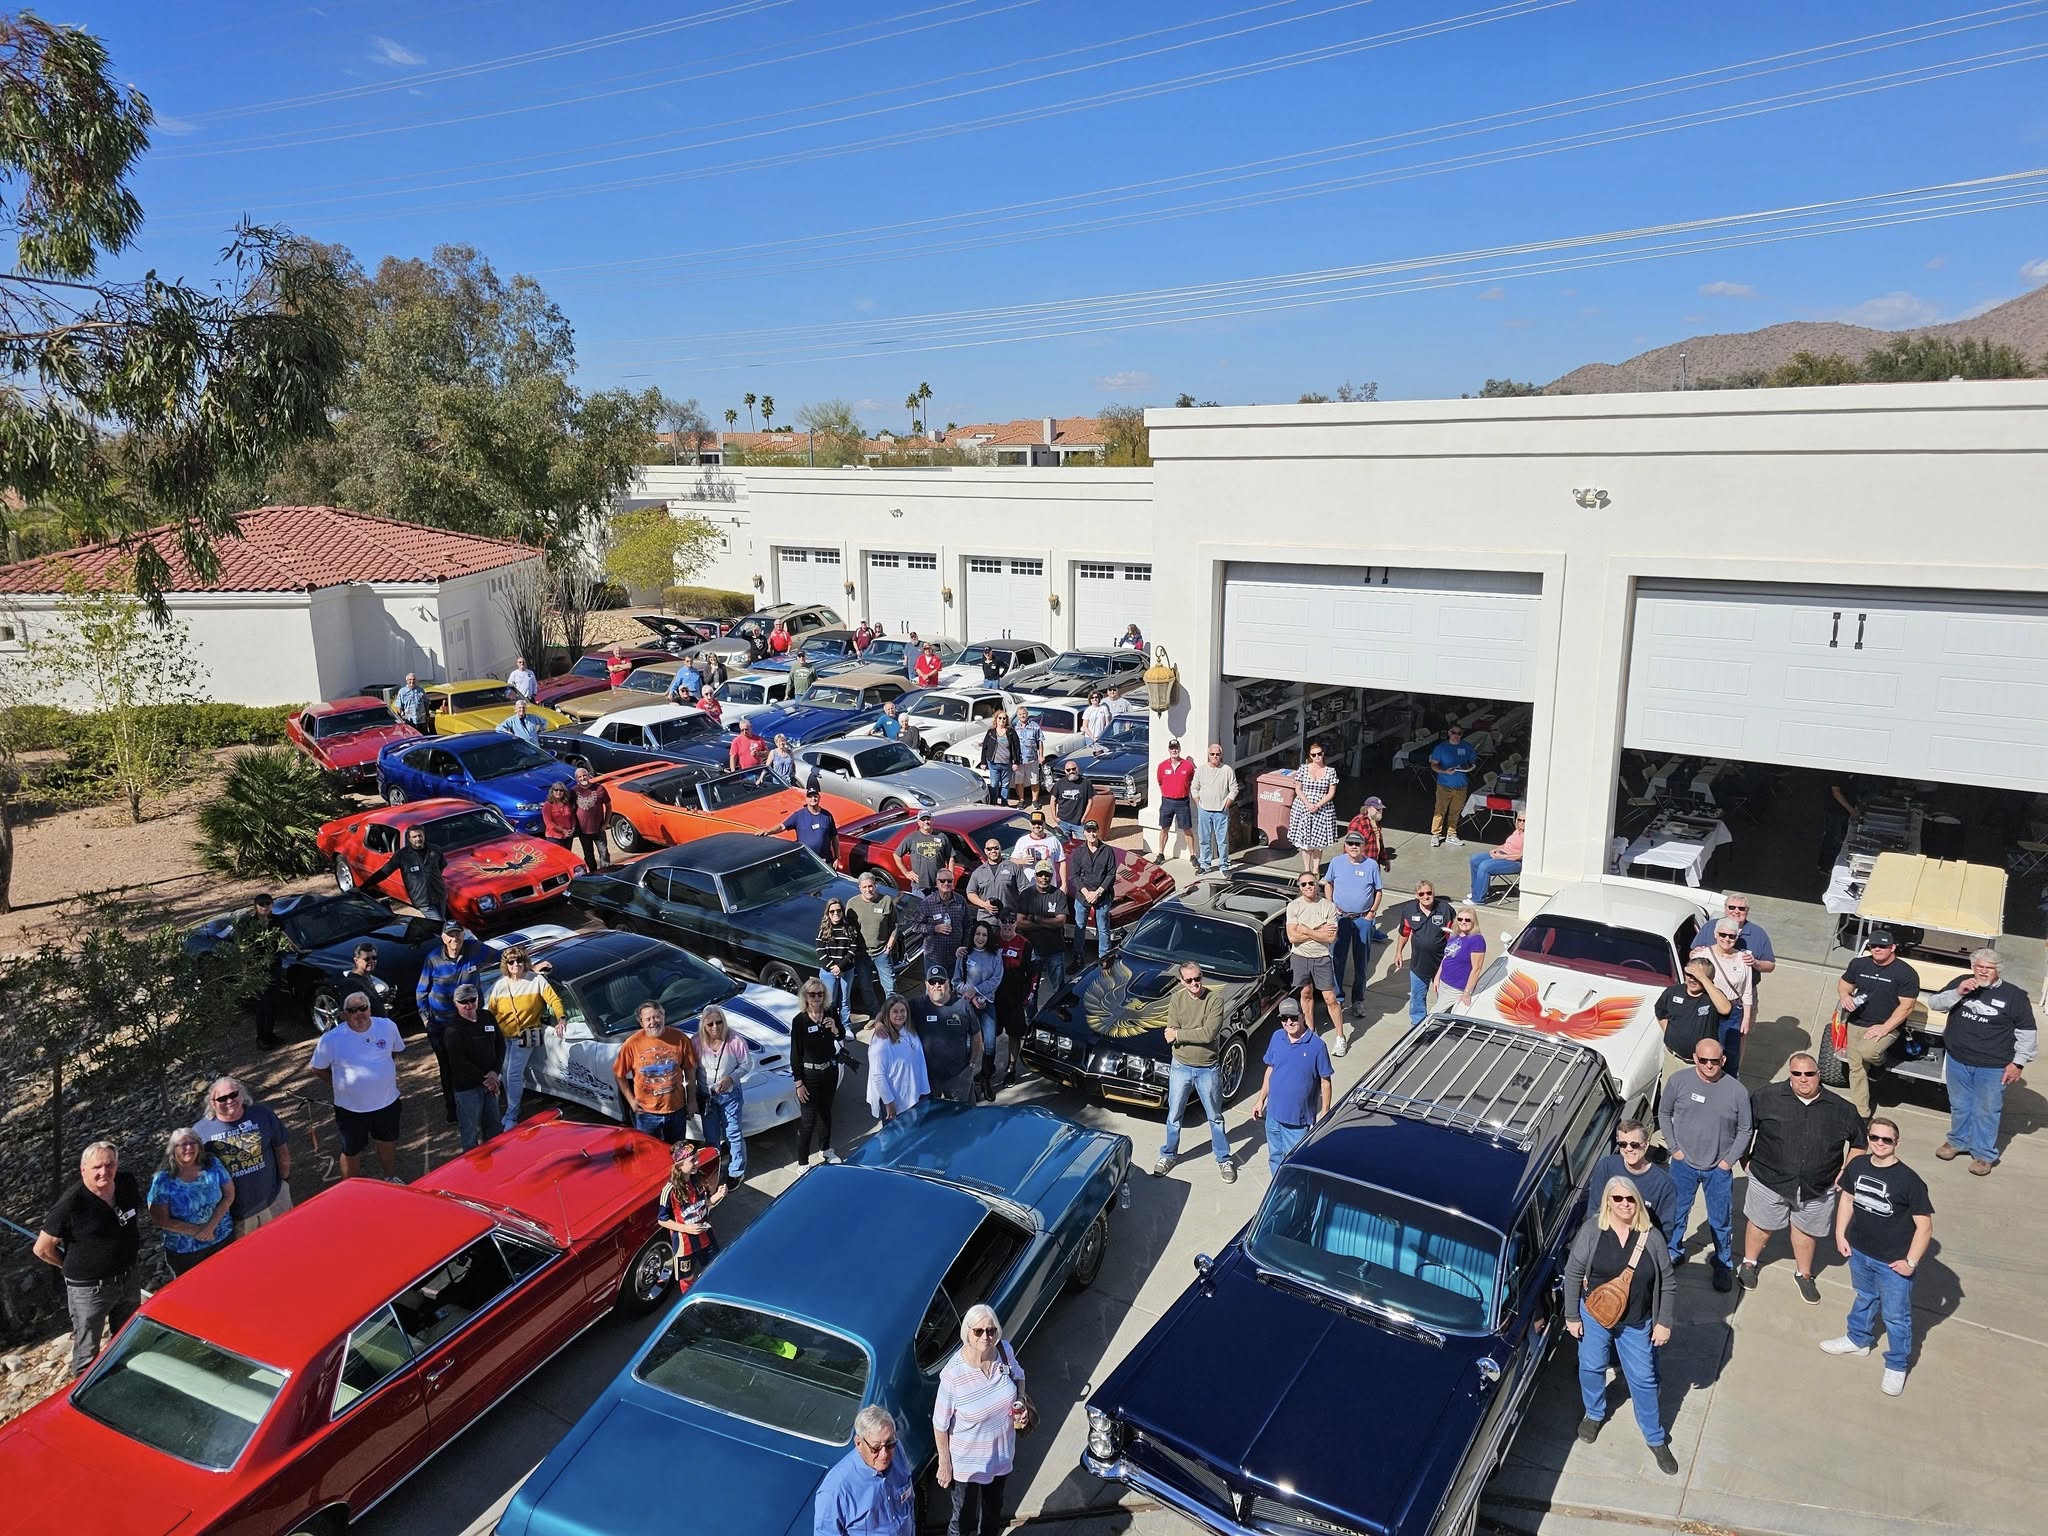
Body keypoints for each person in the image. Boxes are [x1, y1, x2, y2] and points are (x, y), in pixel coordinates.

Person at [1563, 1176, 1679, 1475]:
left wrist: (1663, 1322)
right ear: (1607, 1202)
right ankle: (1593, 1414)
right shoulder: (1592, 1231)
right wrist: (1571, 1316)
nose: (1624, 1204)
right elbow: (1573, 1273)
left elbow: (1667, 1282)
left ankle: (1655, 1437)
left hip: (1637, 1321)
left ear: (1638, 1202)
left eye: (1630, 1199)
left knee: (1644, 1379)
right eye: (1617, 1198)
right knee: (1591, 1367)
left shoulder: (1651, 1237)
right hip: (1595, 1314)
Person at [1739, 1051, 1866, 1300]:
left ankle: (1804, 1275)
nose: (1803, 1079)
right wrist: (1745, 1161)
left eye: (1809, 1074)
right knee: (1761, 1224)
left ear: (1819, 1075)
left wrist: (1844, 1173)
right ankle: (1749, 1263)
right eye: (1797, 1074)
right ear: (1790, 1075)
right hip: (1768, 1180)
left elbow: (1860, 1143)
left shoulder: (1842, 1109)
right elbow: (1745, 1129)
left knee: (1806, 1232)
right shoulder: (1766, 1097)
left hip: (1818, 1187)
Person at [1822, 1116, 1934, 1396]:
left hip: (1893, 1262)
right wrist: (1840, 1234)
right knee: (1865, 1297)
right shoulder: (1857, 1165)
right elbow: (1847, 1199)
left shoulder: (1910, 1181)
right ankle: (1858, 1340)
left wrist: (1910, 1262)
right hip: (1860, 1252)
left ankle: (1897, 1365)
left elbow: (1924, 1226)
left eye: (1887, 1139)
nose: (1880, 1143)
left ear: (1897, 1142)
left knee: (1896, 1317)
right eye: (1874, 1137)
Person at [34, 1142, 144, 1377]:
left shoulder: (126, 1183)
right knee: (87, 1349)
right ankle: (84, 1388)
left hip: (128, 1277)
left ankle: (124, 1379)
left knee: (127, 1336)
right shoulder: (71, 1203)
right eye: (97, 1167)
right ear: (83, 1169)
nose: (104, 1171)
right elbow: (42, 1249)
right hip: (90, 1289)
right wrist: (66, 1265)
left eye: (110, 1164)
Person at [1926, 947, 2035, 1175]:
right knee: (1959, 1104)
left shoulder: (2014, 996)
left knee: (1987, 1110)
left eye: (1989, 968)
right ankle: (1957, 1141)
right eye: (1979, 967)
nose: (1983, 971)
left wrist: (2018, 1063)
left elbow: (2027, 1033)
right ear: (1972, 967)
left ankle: (1984, 1155)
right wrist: (1958, 992)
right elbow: (1935, 1003)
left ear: (1998, 970)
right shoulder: (1962, 983)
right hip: (1957, 1059)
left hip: (1993, 1065)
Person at [1659, 1039, 1751, 1291]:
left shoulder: (1737, 1091)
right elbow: (1664, 1114)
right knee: (1676, 1213)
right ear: (1695, 1058)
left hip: (1718, 1170)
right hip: (1683, 1165)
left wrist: (1728, 1161)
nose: (1709, 1065)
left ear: (1723, 1060)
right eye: (1703, 1060)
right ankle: (1673, 1252)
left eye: (1715, 1061)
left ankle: (1722, 1263)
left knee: (1720, 1220)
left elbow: (1745, 1129)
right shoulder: (1678, 1081)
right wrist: (1674, 1149)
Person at [934, 1303, 1028, 1536]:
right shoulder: (953, 1375)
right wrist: (944, 1463)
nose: (986, 1336)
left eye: (991, 1330)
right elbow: (940, 1424)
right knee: (962, 1521)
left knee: (993, 1512)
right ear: (967, 1332)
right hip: (967, 1465)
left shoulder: (1004, 1352)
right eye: (978, 1331)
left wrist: (1021, 1401)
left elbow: (1020, 1376)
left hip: (1000, 1455)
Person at [309, 991, 406, 1180]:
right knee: (351, 1151)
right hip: (351, 1109)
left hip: (387, 1103)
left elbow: (394, 1051)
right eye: (352, 1010)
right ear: (344, 1014)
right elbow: (318, 1068)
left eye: (363, 1008)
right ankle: (350, 1189)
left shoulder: (387, 1026)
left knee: (387, 1142)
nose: (359, 1014)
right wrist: (338, 1084)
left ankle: (390, 1178)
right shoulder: (331, 1039)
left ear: (369, 1009)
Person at [1155, 961, 1236, 1184]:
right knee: (1174, 1115)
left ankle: (1223, 1158)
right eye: (1189, 980)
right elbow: (1170, 1033)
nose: (1195, 983)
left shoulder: (1214, 1000)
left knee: (1215, 1117)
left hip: (1207, 1068)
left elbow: (1208, 1034)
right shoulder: (1177, 999)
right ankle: (1168, 1155)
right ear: (1182, 981)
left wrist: (1180, 1035)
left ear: (1202, 976)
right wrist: (1185, 1033)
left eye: (1198, 978)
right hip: (1180, 1066)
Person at [1836, 929, 1920, 1117]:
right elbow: (1844, 984)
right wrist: (1845, 996)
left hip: (1887, 1026)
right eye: (1873, 945)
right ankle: (1862, 1114)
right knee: (1856, 1068)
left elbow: (1907, 1007)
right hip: (1857, 1022)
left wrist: (1884, 1028)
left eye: (1882, 946)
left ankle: (1880, 1063)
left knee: (1868, 1052)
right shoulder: (1859, 964)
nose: (1877, 949)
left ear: (1893, 947)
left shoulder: (1905, 973)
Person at [193, 1078, 293, 1235]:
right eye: (222, 1098)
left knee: (287, 1240)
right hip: (236, 1214)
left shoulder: (262, 1114)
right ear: (212, 1103)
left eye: (233, 1095)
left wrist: (284, 1181)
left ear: (242, 1094)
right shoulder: (200, 1131)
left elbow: (281, 1148)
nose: (229, 1101)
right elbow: (197, 1174)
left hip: (274, 1199)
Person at [484, 946, 565, 1125]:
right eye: (511, 961)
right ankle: (514, 1108)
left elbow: (553, 999)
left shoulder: (536, 980)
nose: (516, 964)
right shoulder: (500, 985)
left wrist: (561, 1018)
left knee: (513, 1074)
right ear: (506, 964)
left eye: (519, 960)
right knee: (506, 1074)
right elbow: (490, 1012)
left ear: (525, 962)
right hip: (504, 1037)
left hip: (525, 1036)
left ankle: (512, 1115)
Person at [414, 920, 483, 1124]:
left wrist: (531, 965)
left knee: (474, 1061)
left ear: (463, 935)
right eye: (450, 935)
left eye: (458, 934)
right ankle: (452, 1109)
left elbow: (505, 957)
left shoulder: (474, 950)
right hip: (441, 1024)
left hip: (469, 1020)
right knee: (447, 1067)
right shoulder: (433, 958)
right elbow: (421, 991)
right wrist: (426, 1019)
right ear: (443, 938)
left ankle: (477, 1106)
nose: (455, 939)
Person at [1254, 999, 1333, 1172]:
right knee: (1275, 1157)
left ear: (1302, 1016)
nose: (1289, 1022)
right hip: (1273, 1116)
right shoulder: (1277, 1037)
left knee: (1295, 1164)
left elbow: (1325, 1081)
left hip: (1297, 1121)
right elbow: (1270, 1069)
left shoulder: (1317, 1046)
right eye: (1284, 1018)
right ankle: (1277, 1186)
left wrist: (1325, 1111)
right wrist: (1260, 1100)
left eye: (1293, 1018)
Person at [147, 1127, 235, 1276]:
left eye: (192, 1143)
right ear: (173, 1149)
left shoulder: (212, 1164)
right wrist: (198, 1231)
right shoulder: (163, 1180)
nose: (188, 1148)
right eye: (182, 1144)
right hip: (186, 1251)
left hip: (223, 1239)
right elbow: (160, 1220)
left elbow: (229, 1195)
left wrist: (210, 1227)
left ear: (199, 1145)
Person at [816, 1404, 915, 1536]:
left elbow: (909, 1501)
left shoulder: (897, 1450)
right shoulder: (836, 1490)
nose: (884, 1454)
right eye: (876, 1448)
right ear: (858, 1443)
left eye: (889, 1443)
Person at [613, 1000, 699, 1143]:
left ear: (663, 1016)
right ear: (641, 1022)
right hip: (646, 1113)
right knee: (648, 1151)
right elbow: (618, 1074)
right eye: (648, 1019)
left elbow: (690, 1070)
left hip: (676, 1110)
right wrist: (631, 1100)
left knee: (678, 1149)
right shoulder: (632, 1044)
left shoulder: (680, 1039)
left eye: (656, 1017)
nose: (653, 1022)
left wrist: (692, 1101)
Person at [1586, 1120, 1679, 1239]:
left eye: (1634, 1145)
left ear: (1645, 1145)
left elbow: (1665, 1230)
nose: (1628, 1149)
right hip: (1604, 1237)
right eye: (1623, 1144)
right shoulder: (1606, 1166)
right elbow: (1594, 1209)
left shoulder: (1664, 1184)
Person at [1286, 872, 1345, 1056]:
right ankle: (1310, 1031)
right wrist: (1317, 930)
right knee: (1305, 994)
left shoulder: (1328, 906)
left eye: (1311, 883)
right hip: (1300, 957)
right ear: (1299, 887)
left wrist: (1304, 929)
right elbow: (1292, 937)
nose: (1308, 887)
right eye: (1303, 884)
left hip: (1321, 957)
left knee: (1330, 998)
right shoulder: (1294, 906)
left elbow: (1330, 937)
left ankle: (1340, 1037)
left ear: (1317, 885)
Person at [1326, 830, 1383, 1018]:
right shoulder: (1336, 862)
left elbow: (1378, 891)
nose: (1353, 847)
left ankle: (1358, 1001)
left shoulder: (1371, 865)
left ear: (1363, 846)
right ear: (1345, 846)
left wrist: (1371, 912)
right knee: (1337, 959)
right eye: (1350, 843)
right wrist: (1331, 905)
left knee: (1361, 962)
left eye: (1357, 844)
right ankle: (1337, 999)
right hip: (1341, 918)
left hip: (1362, 919)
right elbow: (1328, 883)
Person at [1689, 920, 1758, 1074]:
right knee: (1705, 1048)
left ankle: (1729, 1081)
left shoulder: (1743, 958)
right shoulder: (1702, 955)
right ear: (1715, 934)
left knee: (1730, 1053)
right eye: (1723, 934)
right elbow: (1690, 982)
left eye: (1731, 936)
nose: (1727, 939)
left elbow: (1747, 991)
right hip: (1707, 1008)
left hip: (1733, 1012)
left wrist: (1746, 1018)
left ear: (1737, 937)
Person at [694, 1004, 753, 1183]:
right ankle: (714, 1170)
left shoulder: (735, 1040)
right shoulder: (696, 1042)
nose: (715, 1027)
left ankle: (736, 1171)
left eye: (719, 1022)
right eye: (710, 1024)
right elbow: (691, 1069)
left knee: (733, 1134)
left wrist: (731, 1078)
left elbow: (746, 1064)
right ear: (703, 1025)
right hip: (707, 1096)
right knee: (711, 1136)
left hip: (730, 1095)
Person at [443, 983, 506, 1151]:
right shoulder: (453, 1029)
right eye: (463, 1002)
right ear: (455, 1003)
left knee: (494, 1126)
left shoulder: (487, 1016)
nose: (469, 1005)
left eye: (472, 1000)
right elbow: (459, 1062)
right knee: (470, 1132)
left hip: (490, 1083)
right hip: (468, 1088)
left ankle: (498, 1159)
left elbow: (500, 1044)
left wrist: (495, 1072)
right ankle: (472, 1163)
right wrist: (488, 1080)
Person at [1387, 882, 1456, 1027]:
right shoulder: (1409, 910)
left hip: (1442, 964)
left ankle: (1446, 1024)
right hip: (1419, 963)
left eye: (1429, 893)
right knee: (1417, 997)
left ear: (1433, 893)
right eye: (1421, 894)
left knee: (1445, 996)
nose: (1426, 896)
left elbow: (1455, 935)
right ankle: (1417, 1026)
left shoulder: (1445, 909)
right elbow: (1404, 933)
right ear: (1416, 896)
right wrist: (1398, 952)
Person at [791, 979, 846, 1165]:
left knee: (826, 1113)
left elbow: (841, 1034)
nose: (816, 998)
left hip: (829, 1070)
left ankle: (825, 1149)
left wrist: (835, 1029)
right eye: (812, 994)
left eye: (820, 994)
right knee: (808, 1120)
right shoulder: (800, 1021)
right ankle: (803, 1162)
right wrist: (799, 1082)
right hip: (810, 1075)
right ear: (805, 997)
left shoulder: (830, 1012)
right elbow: (795, 1054)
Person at [657, 1143, 726, 1282]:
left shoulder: (699, 1178)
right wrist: (686, 1228)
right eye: (692, 1160)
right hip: (684, 1245)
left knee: (714, 1269)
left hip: (706, 1236)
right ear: (679, 1165)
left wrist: (718, 1195)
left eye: (697, 1158)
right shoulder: (669, 1190)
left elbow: (705, 1204)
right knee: (687, 1279)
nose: (697, 1162)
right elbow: (662, 1220)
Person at [915, 967, 983, 1104]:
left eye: (941, 981)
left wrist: (971, 1065)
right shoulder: (917, 1006)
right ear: (926, 985)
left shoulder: (963, 1006)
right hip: (928, 1078)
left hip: (959, 1076)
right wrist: (880, 1022)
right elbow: (891, 1009)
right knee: (931, 1114)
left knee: (963, 1113)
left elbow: (976, 1036)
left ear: (948, 983)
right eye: (932, 982)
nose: (937, 985)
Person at [955, 919, 1005, 1099]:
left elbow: (996, 980)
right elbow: (956, 981)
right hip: (968, 1005)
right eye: (978, 934)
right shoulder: (964, 954)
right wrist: (972, 997)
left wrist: (976, 991)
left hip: (987, 1004)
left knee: (990, 1044)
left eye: (984, 935)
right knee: (968, 1046)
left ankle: (986, 1079)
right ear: (973, 935)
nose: (981, 938)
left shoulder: (996, 955)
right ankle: (967, 1083)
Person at [1015, 862, 1071, 1011]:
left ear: (1051, 876)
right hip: (1033, 950)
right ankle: (1031, 1019)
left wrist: (1035, 919)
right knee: (1031, 989)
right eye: (1040, 874)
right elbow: (1020, 923)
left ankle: (1057, 1017)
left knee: (1059, 989)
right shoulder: (1026, 895)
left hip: (1055, 949)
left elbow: (1060, 922)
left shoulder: (1059, 895)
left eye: (1047, 875)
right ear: (1035, 876)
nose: (1044, 878)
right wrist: (1048, 923)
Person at [363, 823, 447, 919]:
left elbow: (441, 866)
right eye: (414, 837)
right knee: (438, 921)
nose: (418, 839)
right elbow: (384, 872)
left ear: (424, 835)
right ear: (409, 838)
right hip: (421, 899)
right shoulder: (402, 855)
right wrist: (365, 886)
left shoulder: (435, 850)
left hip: (439, 895)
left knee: (442, 920)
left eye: (420, 835)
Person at [236, 892, 287, 1049]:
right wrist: (247, 969)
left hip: (274, 966)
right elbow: (244, 947)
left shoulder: (276, 920)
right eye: (262, 904)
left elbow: (284, 937)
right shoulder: (250, 924)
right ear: (256, 906)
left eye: (268, 904)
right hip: (258, 969)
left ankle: (270, 1034)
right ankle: (261, 1038)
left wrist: (298, 950)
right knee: (262, 1005)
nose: (265, 907)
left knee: (273, 1003)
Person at [866, 995, 930, 1120]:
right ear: (887, 1014)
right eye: (895, 1011)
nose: (899, 1015)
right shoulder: (881, 1040)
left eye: (902, 1011)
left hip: (912, 1097)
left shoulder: (910, 1031)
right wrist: (889, 1103)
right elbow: (878, 1075)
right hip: (894, 1102)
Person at [1069, 820, 1118, 967]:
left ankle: (1104, 958)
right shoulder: (1078, 852)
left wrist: (1097, 893)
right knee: (1079, 927)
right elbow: (1074, 876)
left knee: (1103, 928)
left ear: (1098, 832)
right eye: (1089, 831)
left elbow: (1111, 874)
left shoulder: (1107, 851)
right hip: (1082, 896)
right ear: (1084, 833)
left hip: (1102, 895)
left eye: (1094, 831)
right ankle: (1078, 957)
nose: (1092, 834)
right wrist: (1087, 893)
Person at [908, 868, 971, 982]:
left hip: (955, 957)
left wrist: (964, 946)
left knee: (953, 989)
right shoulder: (927, 903)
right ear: (937, 883)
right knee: (933, 989)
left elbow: (967, 926)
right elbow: (915, 925)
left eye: (949, 881)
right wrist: (934, 928)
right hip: (934, 958)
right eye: (942, 881)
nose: (946, 883)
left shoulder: (961, 901)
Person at [1286, 742, 1339, 876]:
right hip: (1303, 807)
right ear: (1310, 756)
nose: (1317, 757)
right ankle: (1307, 869)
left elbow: (1331, 793)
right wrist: (1308, 804)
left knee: (1318, 843)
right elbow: (1298, 789)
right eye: (1314, 755)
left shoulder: (1330, 771)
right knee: (1305, 842)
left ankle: (1315, 869)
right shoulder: (1303, 769)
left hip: (1322, 808)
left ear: (1323, 754)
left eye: (1319, 754)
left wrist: (1318, 805)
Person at [852, 869, 902, 1009]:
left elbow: (895, 925)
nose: (868, 890)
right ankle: (875, 1013)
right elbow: (848, 929)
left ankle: (892, 1013)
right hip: (862, 955)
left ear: (875, 885)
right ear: (859, 888)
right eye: (864, 887)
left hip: (881, 953)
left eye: (870, 886)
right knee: (866, 988)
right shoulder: (852, 904)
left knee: (890, 986)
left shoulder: (886, 901)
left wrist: (890, 945)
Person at [994, 912, 1035, 1085]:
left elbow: (1033, 975)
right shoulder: (992, 940)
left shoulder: (1025, 944)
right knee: (989, 1035)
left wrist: (1027, 998)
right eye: (1004, 921)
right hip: (993, 999)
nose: (1008, 924)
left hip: (1015, 999)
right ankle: (988, 1066)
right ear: (999, 922)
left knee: (1014, 1035)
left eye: (1011, 921)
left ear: (1016, 924)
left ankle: (1011, 1068)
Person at [816, 896, 867, 1029]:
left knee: (844, 1000)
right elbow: (820, 951)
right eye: (832, 911)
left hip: (846, 970)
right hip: (828, 972)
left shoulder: (849, 928)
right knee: (830, 1001)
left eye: (838, 910)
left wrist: (840, 967)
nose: (836, 913)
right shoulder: (823, 929)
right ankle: (830, 1026)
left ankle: (845, 1026)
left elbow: (853, 948)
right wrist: (832, 967)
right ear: (828, 913)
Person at [1191, 744, 1239, 875]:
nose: (1215, 756)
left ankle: (1224, 866)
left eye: (1217, 754)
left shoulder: (1227, 770)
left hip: (1221, 811)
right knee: (1204, 840)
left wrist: (1226, 804)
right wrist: (1198, 803)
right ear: (1208, 755)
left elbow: (1234, 789)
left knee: (1222, 841)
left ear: (1221, 755)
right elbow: (1194, 788)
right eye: (1212, 754)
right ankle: (1204, 864)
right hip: (1204, 811)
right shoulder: (1201, 770)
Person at [1427, 723, 1477, 848]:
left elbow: (1473, 762)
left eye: (1459, 733)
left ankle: (1451, 834)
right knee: (1440, 810)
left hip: (1461, 785)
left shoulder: (1467, 747)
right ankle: (1435, 835)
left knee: (1455, 811)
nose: (1456, 735)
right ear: (1449, 733)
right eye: (1454, 733)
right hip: (1444, 785)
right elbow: (1433, 765)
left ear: (1462, 734)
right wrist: (1445, 771)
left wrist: (1470, 767)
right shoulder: (1441, 748)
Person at [1433, 905, 1488, 1011]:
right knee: (1445, 1014)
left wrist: (1467, 993)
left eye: (1467, 920)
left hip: (1456, 988)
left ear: (1474, 921)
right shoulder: (1455, 935)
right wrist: (1437, 977)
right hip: (1444, 983)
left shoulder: (1477, 940)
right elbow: (1446, 957)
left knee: (1433, 1016)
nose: (1463, 922)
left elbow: (1476, 969)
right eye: (1460, 919)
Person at [1469, 811, 1526, 903]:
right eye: (1519, 820)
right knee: (1475, 859)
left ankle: (1477, 899)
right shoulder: (1517, 831)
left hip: (1515, 862)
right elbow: (1508, 845)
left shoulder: (1527, 835)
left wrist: (1501, 856)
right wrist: (1497, 849)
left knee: (1485, 866)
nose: (1521, 823)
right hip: (1503, 854)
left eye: (1524, 821)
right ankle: (1477, 891)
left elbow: (1520, 855)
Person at [1154, 737, 1195, 861]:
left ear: (1179, 749)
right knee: (1164, 828)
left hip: (1182, 802)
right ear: (1168, 750)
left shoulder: (1188, 766)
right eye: (1172, 748)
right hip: (1167, 801)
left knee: (1187, 829)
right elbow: (1160, 781)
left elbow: (1191, 780)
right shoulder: (1162, 766)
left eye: (1176, 748)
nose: (1174, 750)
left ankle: (1193, 855)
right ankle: (1160, 853)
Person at [781, 783, 841, 864]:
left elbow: (834, 837)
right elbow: (782, 827)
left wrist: (837, 857)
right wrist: (768, 832)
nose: (813, 799)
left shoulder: (827, 815)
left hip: (825, 861)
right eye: (810, 796)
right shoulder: (798, 815)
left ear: (819, 797)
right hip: (806, 860)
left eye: (815, 796)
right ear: (806, 799)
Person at [965, 834, 1019, 922]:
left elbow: (1025, 890)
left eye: (996, 848)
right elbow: (971, 893)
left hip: (1009, 920)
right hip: (986, 920)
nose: (993, 851)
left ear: (1000, 848)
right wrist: (984, 904)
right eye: (989, 849)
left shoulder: (1013, 867)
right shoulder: (978, 872)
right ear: (985, 851)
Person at [571, 764, 610, 870]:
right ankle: (593, 873)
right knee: (588, 855)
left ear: (588, 776)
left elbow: (608, 806)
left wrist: (606, 823)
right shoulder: (573, 792)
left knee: (604, 853)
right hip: (583, 832)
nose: (583, 778)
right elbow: (571, 811)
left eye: (584, 775)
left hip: (599, 829)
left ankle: (606, 872)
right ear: (576, 779)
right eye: (580, 777)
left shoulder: (599, 788)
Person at [902, 810, 950, 893]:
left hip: (939, 885)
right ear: (918, 822)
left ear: (932, 820)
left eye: (928, 819)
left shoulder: (941, 836)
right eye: (923, 820)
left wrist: (949, 877)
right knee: (919, 902)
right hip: (919, 886)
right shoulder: (912, 837)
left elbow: (951, 857)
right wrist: (906, 873)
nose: (926, 822)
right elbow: (896, 855)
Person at [980, 710, 1020, 806]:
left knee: (1005, 785)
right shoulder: (991, 732)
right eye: (1000, 718)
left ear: (1007, 720)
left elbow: (1016, 748)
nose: (1002, 720)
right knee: (994, 784)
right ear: (996, 719)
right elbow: (985, 747)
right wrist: (983, 762)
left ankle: (1004, 804)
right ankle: (994, 804)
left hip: (1007, 764)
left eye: (1004, 718)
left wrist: (1016, 762)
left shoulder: (1011, 732)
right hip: (993, 763)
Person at [1012, 808, 1064, 878]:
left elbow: (1062, 861)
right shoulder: (1022, 841)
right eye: (1034, 823)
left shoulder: (1053, 840)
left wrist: (1064, 882)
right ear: (1030, 824)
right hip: (1028, 882)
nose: (1037, 826)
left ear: (1044, 824)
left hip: (1049, 882)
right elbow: (1012, 860)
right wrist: (1022, 861)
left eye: (1040, 823)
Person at [1014, 708, 1047, 809]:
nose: (1022, 716)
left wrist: (1041, 755)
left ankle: (1035, 801)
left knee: (1035, 781)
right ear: (1017, 715)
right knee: (1019, 781)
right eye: (1020, 714)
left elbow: (1040, 741)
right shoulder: (1014, 727)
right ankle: (1021, 800)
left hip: (1032, 759)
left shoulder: (1034, 726)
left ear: (1027, 714)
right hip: (1019, 760)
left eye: (1024, 714)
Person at [1051, 760, 1092, 835]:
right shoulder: (1059, 784)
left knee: (1082, 842)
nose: (1071, 771)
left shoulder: (1086, 783)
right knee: (1064, 842)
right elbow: (1052, 800)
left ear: (1077, 769)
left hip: (1079, 823)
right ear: (1065, 771)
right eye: (1068, 770)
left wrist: (1084, 817)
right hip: (1063, 822)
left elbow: (1090, 801)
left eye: (1073, 769)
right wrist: (1054, 817)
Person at [541, 781, 576, 850]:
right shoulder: (547, 805)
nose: (558, 792)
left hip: (567, 836)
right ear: (552, 791)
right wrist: (562, 830)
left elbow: (572, 817)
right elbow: (549, 823)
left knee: (567, 855)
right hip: (554, 837)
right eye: (556, 790)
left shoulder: (566, 803)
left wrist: (573, 828)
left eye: (561, 790)